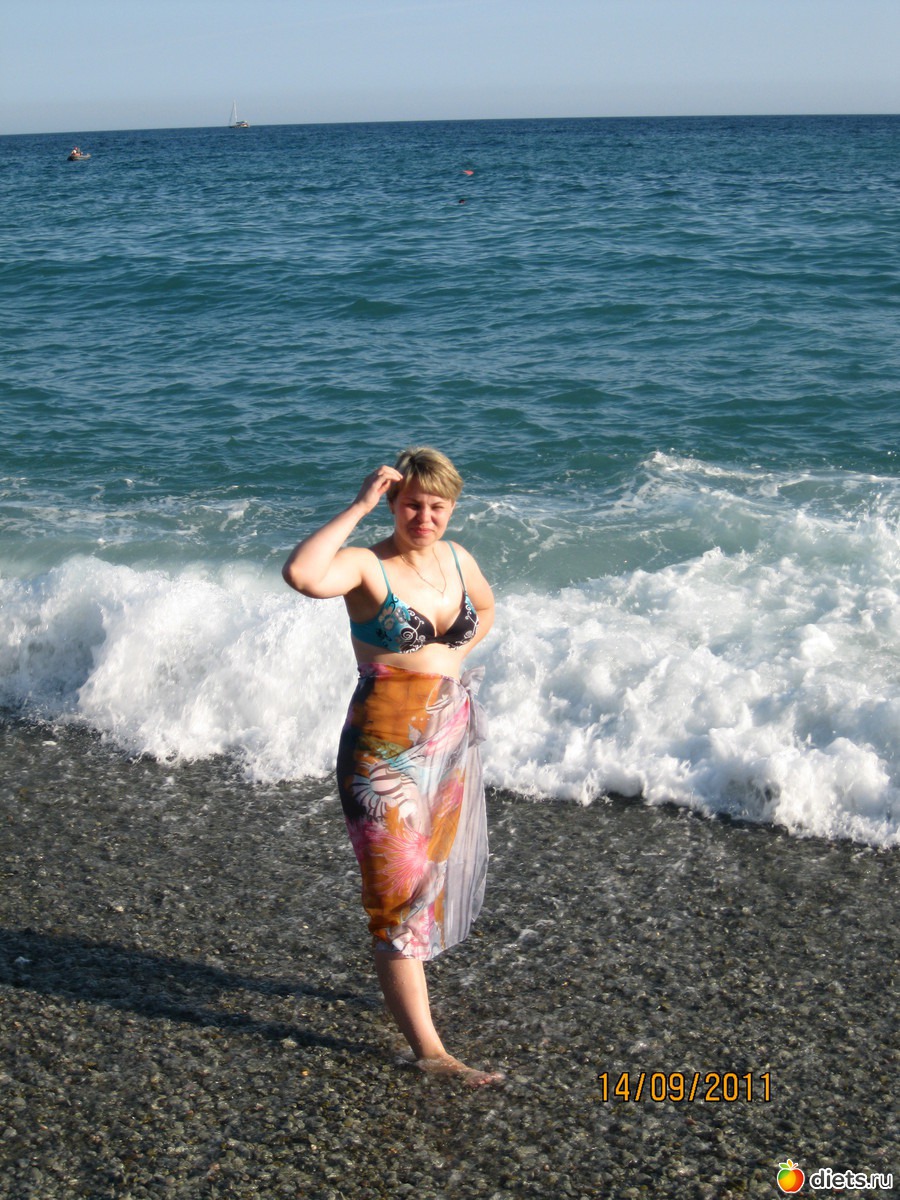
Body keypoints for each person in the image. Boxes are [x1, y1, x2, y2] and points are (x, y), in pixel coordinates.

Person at [282, 447, 503, 1085]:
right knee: (397, 897)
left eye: (437, 506)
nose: (424, 517)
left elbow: (486, 608)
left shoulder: (457, 558)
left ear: (451, 508)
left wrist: (451, 657)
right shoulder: (366, 565)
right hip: (384, 757)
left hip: (449, 742)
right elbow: (301, 573)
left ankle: (406, 992)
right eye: (411, 505)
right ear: (393, 504)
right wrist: (358, 506)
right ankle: (431, 1052)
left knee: (427, 879)